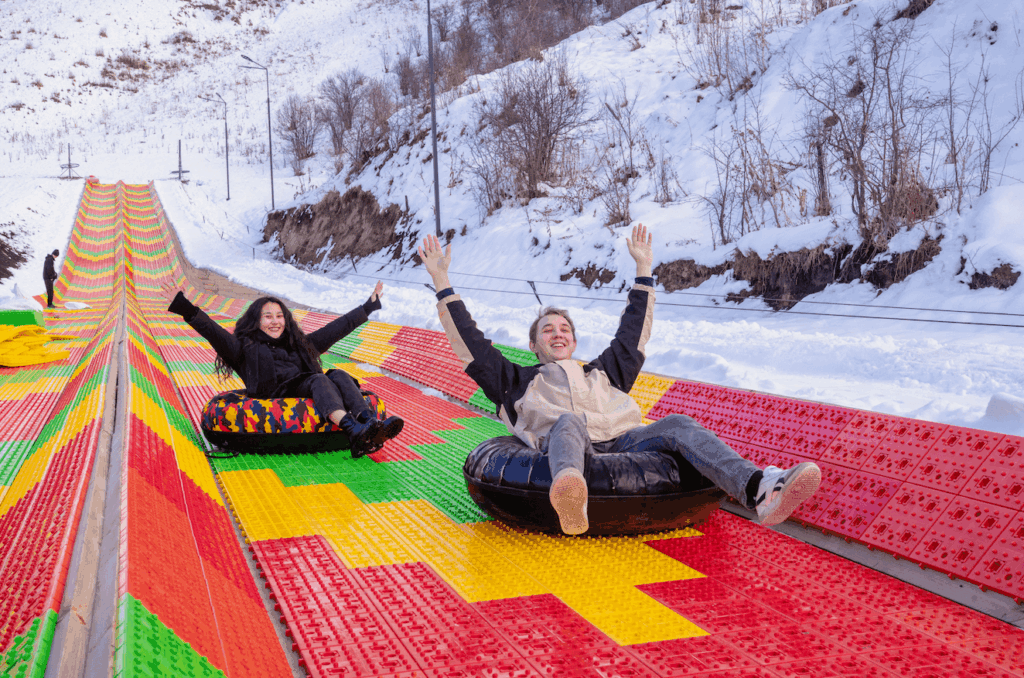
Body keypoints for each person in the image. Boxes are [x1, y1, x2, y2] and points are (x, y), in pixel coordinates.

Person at [418, 226, 821, 535]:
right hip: (567, 446)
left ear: (574, 341)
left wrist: (644, 270)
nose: (558, 334)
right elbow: (470, 343)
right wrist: (441, 282)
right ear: (533, 344)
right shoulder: (516, 381)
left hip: (625, 443)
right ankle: (569, 495)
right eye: (547, 330)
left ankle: (759, 489)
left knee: (678, 423)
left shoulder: (602, 373)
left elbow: (633, 333)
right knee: (568, 421)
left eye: (564, 329)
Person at [162, 281, 404, 457]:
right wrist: (184, 307)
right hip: (276, 396)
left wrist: (368, 307)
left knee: (338, 374)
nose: (275, 321)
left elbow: (336, 329)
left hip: (304, 389)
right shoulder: (245, 348)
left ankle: (369, 423)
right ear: (257, 321)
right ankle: (351, 429)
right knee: (319, 379)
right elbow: (213, 332)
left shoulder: (299, 344)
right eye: (268, 317)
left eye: (279, 316)